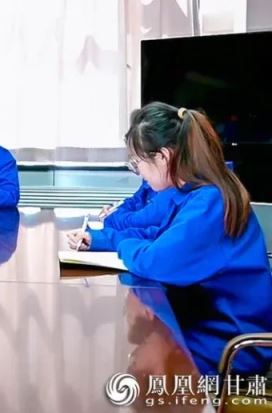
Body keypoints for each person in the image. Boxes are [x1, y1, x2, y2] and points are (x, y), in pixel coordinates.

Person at [68, 102, 272, 375]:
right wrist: (101, 240)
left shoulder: (209, 202)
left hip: (228, 345)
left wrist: (122, 244)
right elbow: (158, 236)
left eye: (138, 162)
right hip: (204, 323)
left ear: (163, 156)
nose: (139, 172)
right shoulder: (193, 193)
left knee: (123, 362)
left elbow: (155, 260)